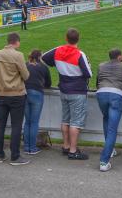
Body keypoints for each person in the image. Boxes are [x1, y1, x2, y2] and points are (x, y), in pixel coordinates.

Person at [42, 28, 92, 160]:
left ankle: (66, 146)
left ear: (66, 38)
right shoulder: (80, 54)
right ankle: (73, 150)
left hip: (64, 89)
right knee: (76, 122)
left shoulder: (58, 50)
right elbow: (88, 73)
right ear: (78, 39)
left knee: (65, 119)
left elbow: (44, 57)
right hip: (77, 91)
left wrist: (57, 65)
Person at [0, 32, 30, 165]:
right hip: (15, 94)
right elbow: (25, 75)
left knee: (0, 124)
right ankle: (15, 156)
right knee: (16, 125)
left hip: (0, 93)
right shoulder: (17, 55)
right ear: (16, 42)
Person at [96, 49, 122, 172]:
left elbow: (98, 82)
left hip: (101, 94)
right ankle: (104, 161)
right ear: (119, 57)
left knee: (106, 119)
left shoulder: (101, 66)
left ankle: (110, 150)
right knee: (112, 128)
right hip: (116, 95)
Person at [23, 50, 52, 155]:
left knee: (27, 122)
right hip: (37, 94)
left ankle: (26, 147)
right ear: (40, 57)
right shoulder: (43, 67)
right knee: (34, 122)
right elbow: (48, 83)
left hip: (25, 93)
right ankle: (32, 148)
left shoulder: (26, 65)